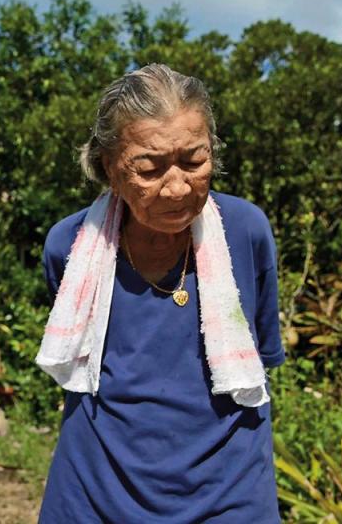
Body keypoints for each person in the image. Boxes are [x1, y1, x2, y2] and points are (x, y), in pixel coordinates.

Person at [35, 64, 285, 523]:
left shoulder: (245, 232)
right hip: (94, 491)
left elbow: (262, 356)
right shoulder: (68, 247)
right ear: (110, 169)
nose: (176, 188)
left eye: (194, 161)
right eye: (148, 168)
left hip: (228, 492)